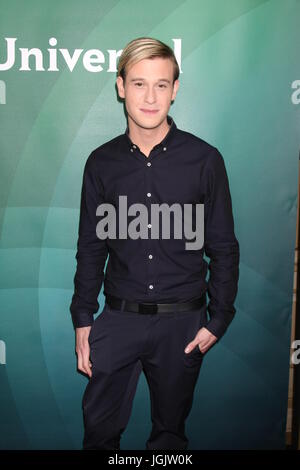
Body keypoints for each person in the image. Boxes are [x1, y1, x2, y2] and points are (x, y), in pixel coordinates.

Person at [70, 37, 240, 450]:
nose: (150, 97)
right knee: (99, 436)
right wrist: (82, 317)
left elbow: (223, 247)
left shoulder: (205, 160)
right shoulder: (101, 163)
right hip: (118, 319)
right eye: (140, 83)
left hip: (183, 324)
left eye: (161, 85)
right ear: (120, 86)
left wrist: (218, 320)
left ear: (175, 89)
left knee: (169, 439)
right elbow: (91, 247)